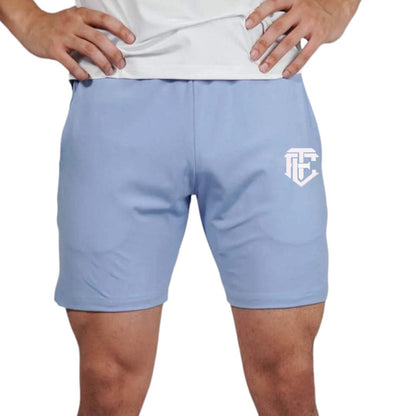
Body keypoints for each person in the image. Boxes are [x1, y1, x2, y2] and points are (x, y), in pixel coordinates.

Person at [0, 0, 360, 415]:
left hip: (264, 91)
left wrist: (335, 8)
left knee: (288, 379)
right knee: (107, 382)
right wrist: (28, 19)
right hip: (116, 90)